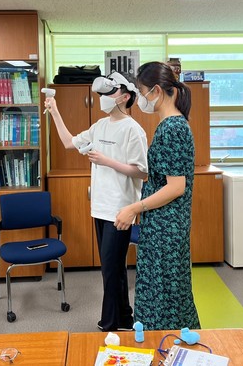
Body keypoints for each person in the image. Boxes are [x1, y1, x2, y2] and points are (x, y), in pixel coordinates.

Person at [44, 72, 148, 332]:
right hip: (100, 207)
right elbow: (69, 143)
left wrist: (107, 161)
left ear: (126, 97)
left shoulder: (133, 130)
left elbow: (142, 171)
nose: (104, 98)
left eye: (111, 92)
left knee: (111, 270)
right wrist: (55, 111)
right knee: (112, 267)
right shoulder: (99, 126)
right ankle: (124, 317)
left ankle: (111, 323)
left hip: (121, 209)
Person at [115, 61, 200, 331]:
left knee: (166, 295)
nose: (140, 99)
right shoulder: (168, 125)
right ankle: (162, 342)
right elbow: (161, 177)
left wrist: (134, 208)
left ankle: (171, 344)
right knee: (162, 292)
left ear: (156, 91)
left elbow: (176, 187)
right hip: (160, 224)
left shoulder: (173, 128)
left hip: (167, 227)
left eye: (141, 92)